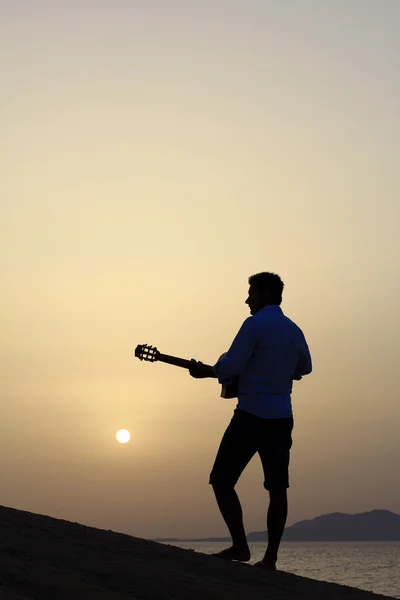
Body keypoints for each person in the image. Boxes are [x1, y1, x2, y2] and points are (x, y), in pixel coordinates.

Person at [189, 272, 312, 571]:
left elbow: (231, 364)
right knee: (277, 488)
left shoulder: (254, 324)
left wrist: (206, 371)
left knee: (221, 480)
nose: (247, 300)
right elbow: (305, 367)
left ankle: (240, 546)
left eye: (251, 294)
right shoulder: (293, 330)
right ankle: (270, 558)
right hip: (282, 419)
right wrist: (281, 370)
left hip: (250, 416)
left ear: (266, 294)